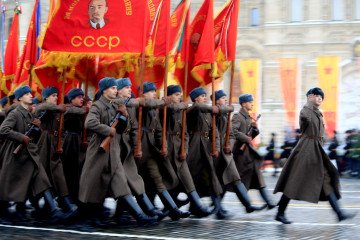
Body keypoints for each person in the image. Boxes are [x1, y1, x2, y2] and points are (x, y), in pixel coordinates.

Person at [79, 77, 157, 226]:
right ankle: (92, 217)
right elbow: (89, 123)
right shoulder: (97, 105)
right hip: (99, 150)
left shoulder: (113, 105)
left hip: (113, 150)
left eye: (116, 88)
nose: (116, 90)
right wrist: (109, 129)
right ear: (104, 90)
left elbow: (120, 129)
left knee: (121, 184)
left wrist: (125, 116)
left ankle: (140, 216)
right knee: (94, 185)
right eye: (113, 88)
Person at [273, 87, 356, 224]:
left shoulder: (318, 113)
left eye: (321, 97)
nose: (319, 99)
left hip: (316, 151)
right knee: (294, 181)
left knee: (325, 180)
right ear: (310, 96)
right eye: (317, 96)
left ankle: (339, 214)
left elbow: (320, 134)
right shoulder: (306, 110)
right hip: (305, 150)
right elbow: (304, 120)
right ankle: (280, 213)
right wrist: (310, 107)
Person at [0, 86, 74, 223]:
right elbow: (3, 130)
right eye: (27, 94)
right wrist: (21, 137)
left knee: (42, 180)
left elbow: (33, 133)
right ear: (20, 98)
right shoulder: (15, 113)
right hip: (17, 154)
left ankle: (54, 212)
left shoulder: (29, 114)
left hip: (30, 153)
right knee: (11, 185)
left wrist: (37, 127)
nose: (30, 95)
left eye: (30, 93)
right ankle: (13, 207)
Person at [113, 78, 166, 223]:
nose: (130, 89)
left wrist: (136, 146)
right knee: (116, 182)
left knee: (131, 180)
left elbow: (134, 127)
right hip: (114, 146)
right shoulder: (116, 102)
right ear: (118, 89)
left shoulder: (130, 103)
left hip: (127, 147)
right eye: (126, 87)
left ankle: (144, 211)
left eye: (131, 87)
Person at [137, 82, 190, 221]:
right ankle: (125, 212)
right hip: (137, 149)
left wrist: (163, 145)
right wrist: (162, 102)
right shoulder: (138, 104)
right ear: (143, 93)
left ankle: (173, 210)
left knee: (157, 179)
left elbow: (159, 130)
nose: (154, 93)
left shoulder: (155, 107)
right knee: (129, 183)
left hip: (150, 150)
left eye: (155, 91)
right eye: (151, 91)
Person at [212, 90, 265, 218]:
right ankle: (215, 209)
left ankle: (245, 206)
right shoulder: (219, 114)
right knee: (221, 181)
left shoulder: (226, 115)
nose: (225, 99)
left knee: (228, 180)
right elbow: (231, 133)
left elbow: (231, 134)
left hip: (225, 150)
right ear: (217, 100)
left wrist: (254, 129)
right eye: (223, 98)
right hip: (217, 151)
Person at [162, 85, 211, 218]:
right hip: (166, 148)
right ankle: (168, 209)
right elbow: (171, 108)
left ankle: (197, 206)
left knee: (186, 178)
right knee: (166, 180)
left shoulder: (182, 110)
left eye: (180, 94)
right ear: (169, 96)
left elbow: (185, 133)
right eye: (177, 94)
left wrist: (185, 149)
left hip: (179, 149)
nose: (179, 97)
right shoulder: (165, 106)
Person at [35, 87, 77, 215]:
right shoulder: (42, 107)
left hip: (54, 145)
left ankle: (65, 204)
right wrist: (58, 108)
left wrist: (61, 144)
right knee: (41, 175)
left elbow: (62, 131)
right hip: (43, 145)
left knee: (58, 175)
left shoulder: (59, 111)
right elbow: (40, 108)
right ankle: (40, 205)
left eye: (56, 95)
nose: (56, 98)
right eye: (53, 95)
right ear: (46, 98)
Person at [231, 94, 276, 210]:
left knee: (257, 176)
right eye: (250, 102)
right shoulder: (237, 116)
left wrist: (255, 128)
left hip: (248, 153)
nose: (252, 104)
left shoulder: (248, 117)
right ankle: (247, 205)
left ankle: (269, 202)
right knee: (238, 180)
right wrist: (245, 138)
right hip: (240, 153)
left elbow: (251, 135)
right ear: (243, 104)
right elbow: (233, 131)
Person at [186, 87, 225, 215]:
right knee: (192, 176)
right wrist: (211, 108)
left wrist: (216, 147)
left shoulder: (208, 113)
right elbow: (197, 107)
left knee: (210, 176)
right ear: (196, 98)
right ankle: (189, 206)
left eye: (205, 95)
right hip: (194, 146)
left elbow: (215, 132)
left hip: (206, 146)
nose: (205, 98)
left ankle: (218, 208)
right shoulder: (192, 109)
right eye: (202, 96)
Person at [61, 88, 88, 203]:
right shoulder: (67, 108)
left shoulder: (81, 109)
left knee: (79, 169)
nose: (82, 99)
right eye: (79, 97)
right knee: (69, 168)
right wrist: (86, 110)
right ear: (71, 99)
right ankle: (67, 195)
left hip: (78, 140)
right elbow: (72, 111)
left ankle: (76, 194)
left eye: (82, 97)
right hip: (69, 140)